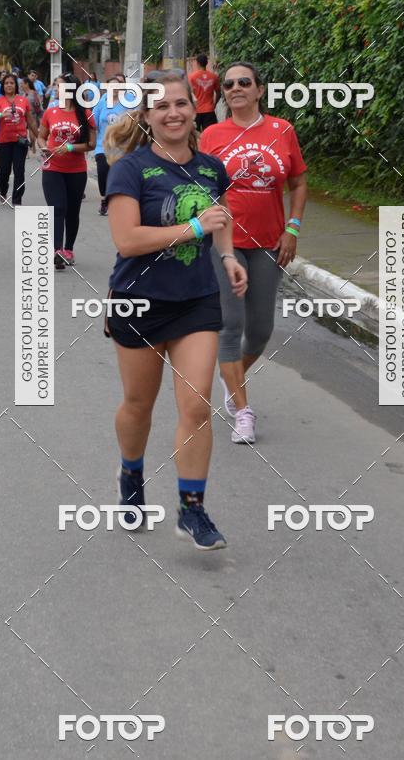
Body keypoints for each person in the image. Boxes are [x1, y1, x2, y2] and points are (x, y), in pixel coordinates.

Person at [104, 73, 247, 550]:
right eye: (161, 106)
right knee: (139, 406)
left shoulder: (210, 169)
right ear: (146, 117)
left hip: (195, 301)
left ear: (194, 108)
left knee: (196, 405)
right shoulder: (129, 169)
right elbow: (127, 240)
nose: (173, 113)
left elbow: (220, 217)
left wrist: (226, 256)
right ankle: (131, 475)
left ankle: (192, 510)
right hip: (139, 302)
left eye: (182, 103)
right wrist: (192, 227)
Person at [200, 61, 308, 445]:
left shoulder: (282, 130)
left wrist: (292, 228)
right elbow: (200, 188)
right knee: (230, 326)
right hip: (223, 244)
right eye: (228, 84)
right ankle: (244, 412)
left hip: (268, 243)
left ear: (259, 90)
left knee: (260, 331)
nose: (235, 88)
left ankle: (233, 381)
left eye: (244, 82)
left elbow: (297, 181)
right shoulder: (211, 135)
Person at [37, 73, 96, 268]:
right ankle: (57, 251)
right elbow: (41, 136)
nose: (56, 89)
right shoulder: (51, 112)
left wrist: (70, 148)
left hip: (76, 170)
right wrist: (43, 146)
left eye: (60, 86)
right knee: (57, 208)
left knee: (72, 211)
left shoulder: (85, 113)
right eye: (55, 86)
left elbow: (91, 144)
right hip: (52, 167)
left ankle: (68, 249)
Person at [0, 72, 37, 205]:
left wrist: (38, 138)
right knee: (4, 172)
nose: (9, 85)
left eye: (11, 83)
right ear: (3, 86)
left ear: (15, 85)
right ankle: (3, 191)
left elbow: (31, 121)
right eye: (6, 83)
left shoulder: (23, 100)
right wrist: (0, 114)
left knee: (19, 171)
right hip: (4, 141)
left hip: (20, 141)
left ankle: (17, 199)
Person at [92, 72, 137, 216]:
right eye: (112, 87)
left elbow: (137, 121)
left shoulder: (130, 100)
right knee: (103, 171)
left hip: (124, 147)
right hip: (103, 146)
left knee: (122, 175)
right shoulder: (102, 102)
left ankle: (122, 202)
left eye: (118, 86)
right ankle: (105, 198)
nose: (115, 89)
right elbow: (94, 123)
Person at [188, 54, 220, 132]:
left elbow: (188, 93)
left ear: (197, 63)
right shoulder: (214, 77)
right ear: (207, 63)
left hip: (196, 112)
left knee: (195, 136)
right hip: (209, 111)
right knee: (211, 135)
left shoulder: (191, 77)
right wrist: (214, 104)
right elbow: (219, 93)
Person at [20, 76, 43, 155]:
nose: (21, 85)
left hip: (33, 116)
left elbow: (38, 105)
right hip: (23, 117)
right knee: (25, 134)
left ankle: (37, 147)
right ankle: (30, 148)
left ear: (27, 84)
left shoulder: (33, 93)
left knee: (33, 135)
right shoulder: (23, 94)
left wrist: (40, 117)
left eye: (22, 84)